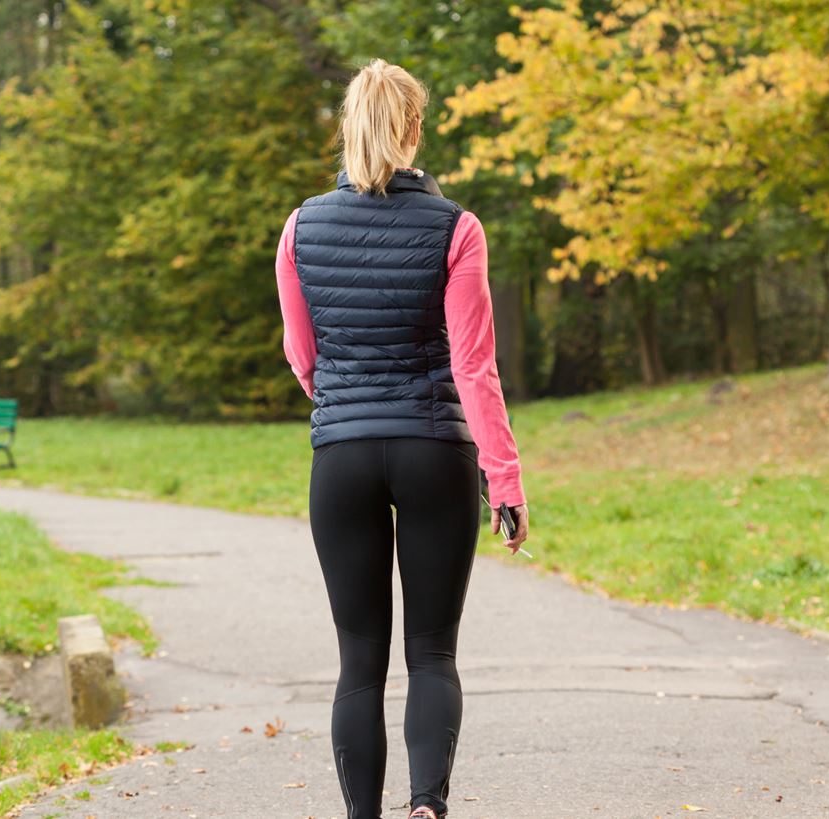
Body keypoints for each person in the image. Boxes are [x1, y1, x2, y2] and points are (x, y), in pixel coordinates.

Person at [274, 58, 531, 819]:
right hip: (433, 451)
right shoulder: (455, 227)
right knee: (431, 653)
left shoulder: (300, 226)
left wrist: (347, 408)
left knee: (358, 662)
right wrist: (505, 478)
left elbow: (302, 356)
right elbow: (473, 365)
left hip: (341, 458)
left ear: (347, 127)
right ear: (414, 128)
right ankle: (425, 806)